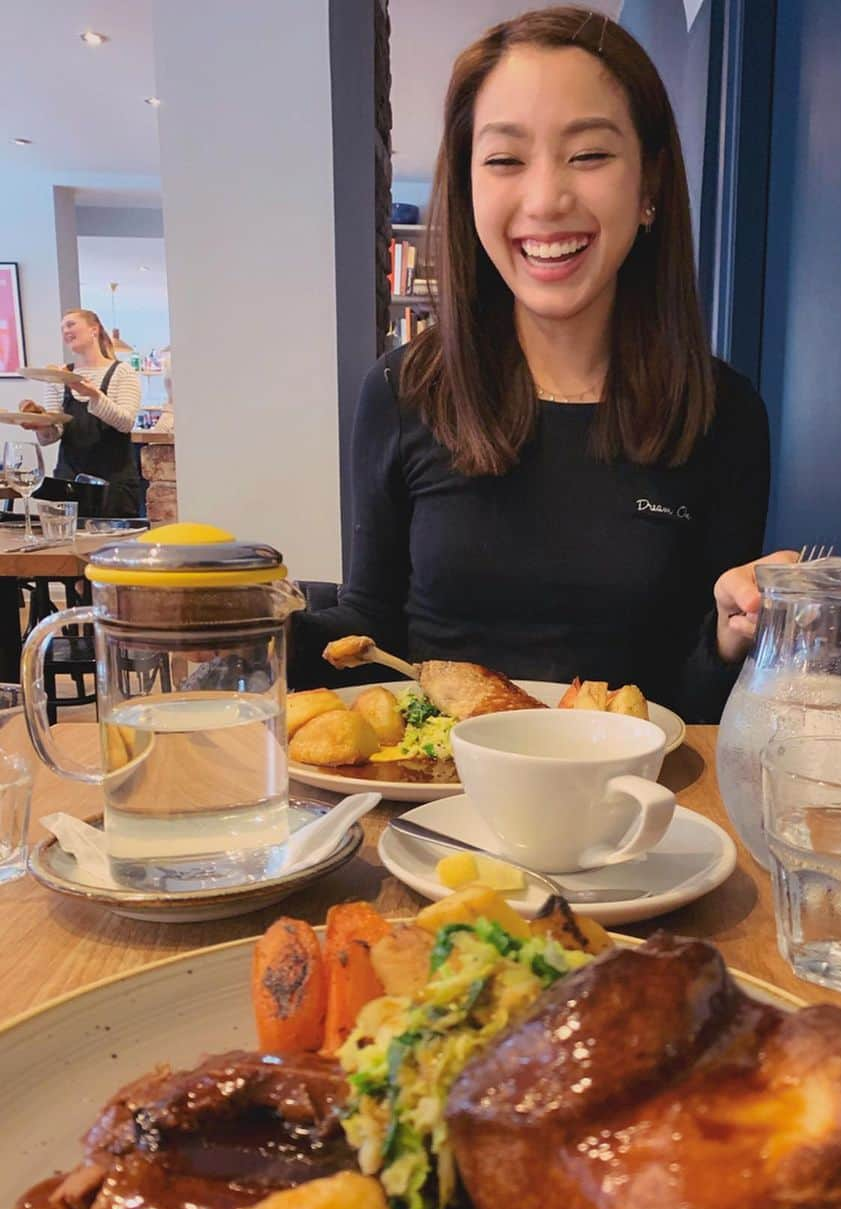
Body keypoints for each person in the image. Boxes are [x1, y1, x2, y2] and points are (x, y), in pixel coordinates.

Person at [291, 7, 791, 720]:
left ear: (649, 183)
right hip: (430, 815)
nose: (546, 199)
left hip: (629, 816)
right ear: (467, 189)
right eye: (504, 159)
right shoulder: (404, 390)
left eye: (588, 155)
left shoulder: (724, 413)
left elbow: (699, 715)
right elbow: (367, 639)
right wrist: (243, 624)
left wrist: (730, 640)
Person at [18, 309, 144, 517]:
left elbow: (126, 423)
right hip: (69, 481)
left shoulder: (122, 372)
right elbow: (52, 435)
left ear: (93, 330)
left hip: (114, 484)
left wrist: (94, 395)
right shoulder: (57, 376)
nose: (65, 330)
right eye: (62, 328)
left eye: (71, 324)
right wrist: (40, 426)